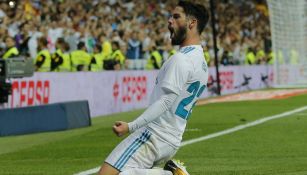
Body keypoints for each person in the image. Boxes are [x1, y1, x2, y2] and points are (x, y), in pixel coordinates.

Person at [98, 1, 209, 175]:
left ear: (192, 23)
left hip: (153, 134)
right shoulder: (201, 62)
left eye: (176, 16)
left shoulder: (181, 59)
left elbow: (166, 101)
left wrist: (131, 126)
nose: (169, 21)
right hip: (172, 137)